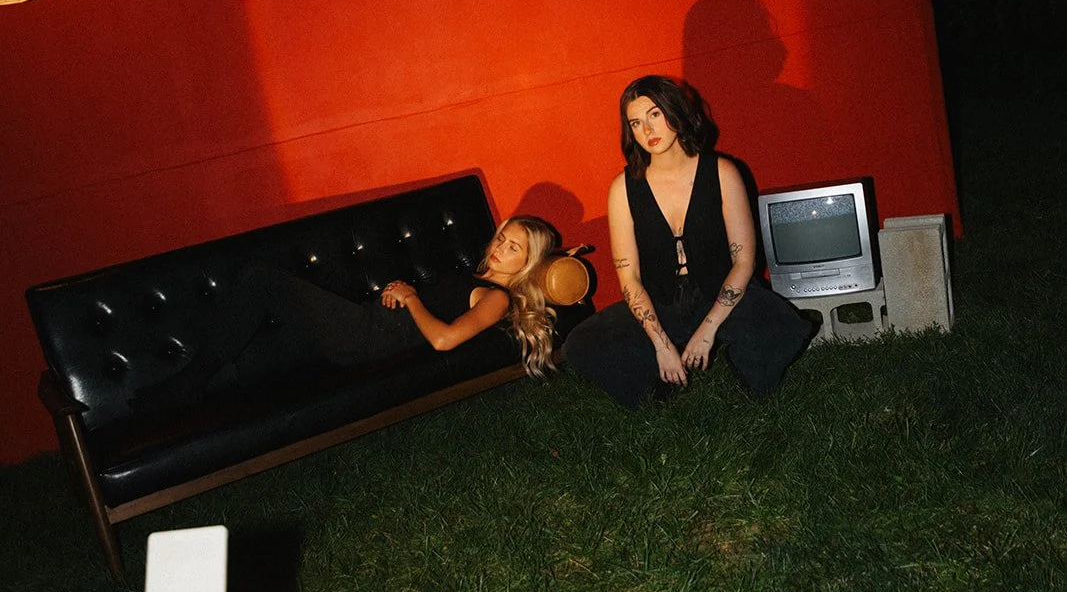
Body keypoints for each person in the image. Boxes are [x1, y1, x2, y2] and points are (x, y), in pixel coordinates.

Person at [132, 215, 560, 413]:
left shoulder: (496, 298)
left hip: (369, 336)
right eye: (504, 236)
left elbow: (443, 339)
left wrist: (411, 298)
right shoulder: (474, 275)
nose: (501, 247)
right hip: (366, 322)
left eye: (514, 247)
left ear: (526, 262)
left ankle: (185, 384)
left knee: (265, 279)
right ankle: (167, 400)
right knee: (260, 356)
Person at [562, 75, 812, 407]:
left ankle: (743, 388)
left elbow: (744, 261)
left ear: (676, 112)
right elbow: (629, 276)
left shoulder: (722, 172)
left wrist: (708, 330)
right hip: (659, 300)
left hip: (718, 290)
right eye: (636, 122)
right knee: (581, 344)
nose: (647, 130)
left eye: (654, 114)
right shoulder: (623, 188)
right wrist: (661, 344)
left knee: (781, 325)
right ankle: (660, 390)